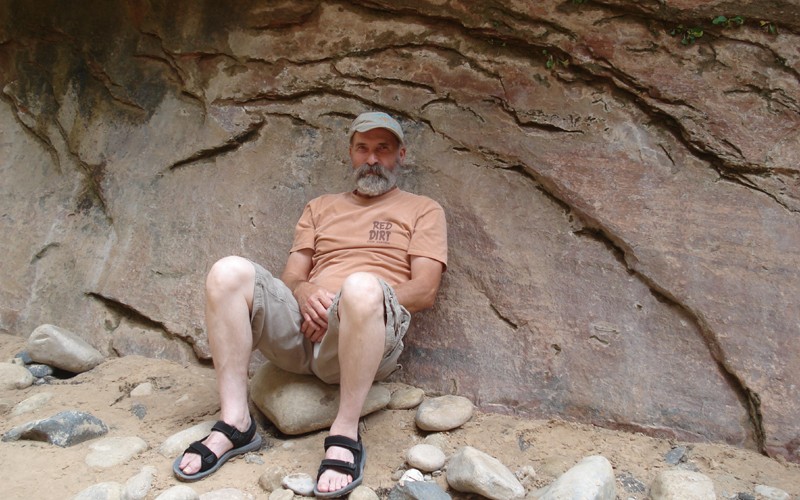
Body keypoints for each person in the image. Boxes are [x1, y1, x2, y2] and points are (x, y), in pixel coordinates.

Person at [172, 111, 448, 498]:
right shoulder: (320, 207)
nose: (371, 159)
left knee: (362, 287)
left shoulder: (424, 209)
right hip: (301, 328)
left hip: (358, 339)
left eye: (383, 149)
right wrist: (303, 294)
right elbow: (292, 276)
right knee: (226, 271)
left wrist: (342, 305)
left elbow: (424, 291)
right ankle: (236, 423)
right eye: (362, 148)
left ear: (400, 154)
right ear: (350, 153)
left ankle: (345, 433)